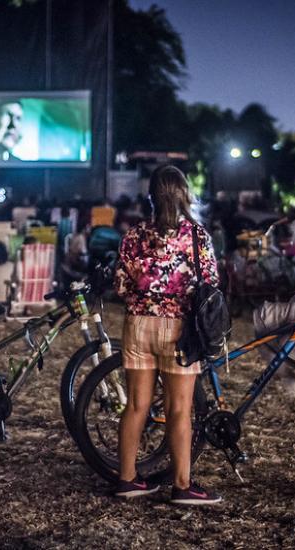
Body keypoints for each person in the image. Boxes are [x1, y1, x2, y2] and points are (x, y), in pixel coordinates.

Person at [113, 165, 222, 505]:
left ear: (151, 197)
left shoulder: (134, 235)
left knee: (136, 406)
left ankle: (127, 479)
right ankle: (182, 485)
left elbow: (120, 285)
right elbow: (211, 282)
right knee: (178, 410)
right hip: (179, 329)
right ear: (184, 194)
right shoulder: (196, 236)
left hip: (138, 324)